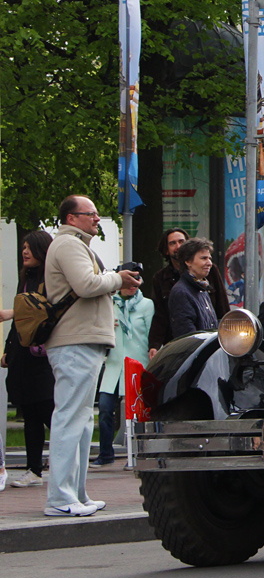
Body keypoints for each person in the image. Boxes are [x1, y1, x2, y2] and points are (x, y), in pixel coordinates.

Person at [43, 195, 141, 516]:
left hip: (82, 341)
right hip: (75, 342)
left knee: (83, 421)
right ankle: (60, 498)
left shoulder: (76, 245)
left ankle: (77, 494)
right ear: (72, 218)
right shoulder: (69, 245)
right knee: (71, 418)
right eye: (91, 214)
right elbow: (85, 285)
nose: (97, 219)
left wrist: (112, 279)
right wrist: (118, 279)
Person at [2, 231, 56, 488]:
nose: (24, 252)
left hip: (43, 356)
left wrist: (10, 313)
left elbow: (43, 311)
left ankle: (64, 464)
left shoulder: (51, 279)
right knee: (30, 414)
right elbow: (20, 322)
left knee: (48, 411)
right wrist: (8, 350)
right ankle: (34, 469)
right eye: (23, 247)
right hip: (23, 355)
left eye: (30, 248)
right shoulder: (25, 279)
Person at [92, 284, 154, 466]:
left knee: (135, 413)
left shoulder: (146, 304)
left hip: (137, 363)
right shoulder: (109, 304)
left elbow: (152, 333)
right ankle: (105, 453)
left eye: (136, 284)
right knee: (104, 408)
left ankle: (135, 455)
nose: (131, 288)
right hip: (114, 365)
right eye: (127, 284)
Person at [149, 228, 230, 359]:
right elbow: (163, 316)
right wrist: (155, 343)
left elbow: (221, 304)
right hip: (194, 353)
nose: (178, 246)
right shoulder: (171, 284)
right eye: (172, 243)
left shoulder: (202, 283)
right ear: (188, 261)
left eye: (181, 241)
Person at [167, 238, 220, 340]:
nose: (209, 263)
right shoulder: (181, 292)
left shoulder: (202, 288)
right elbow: (187, 337)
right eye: (204, 258)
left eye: (210, 258)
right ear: (188, 261)